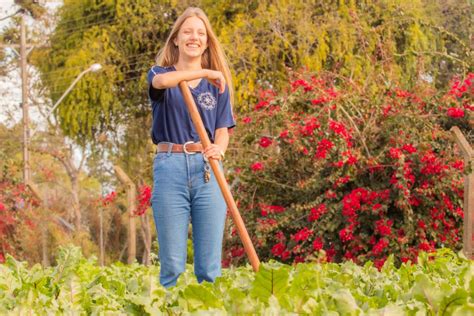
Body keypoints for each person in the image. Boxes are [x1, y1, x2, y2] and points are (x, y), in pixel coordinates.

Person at [146, 7, 236, 288]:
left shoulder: (218, 85)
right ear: (176, 39)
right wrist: (207, 71)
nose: (193, 37)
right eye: (187, 32)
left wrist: (218, 150)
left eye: (200, 33)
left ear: (207, 42)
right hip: (169, 166)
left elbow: (223, 131)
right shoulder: (159, 73)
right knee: (171, 266)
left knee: (209, 268)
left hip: (208, 170)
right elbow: (161, 82)